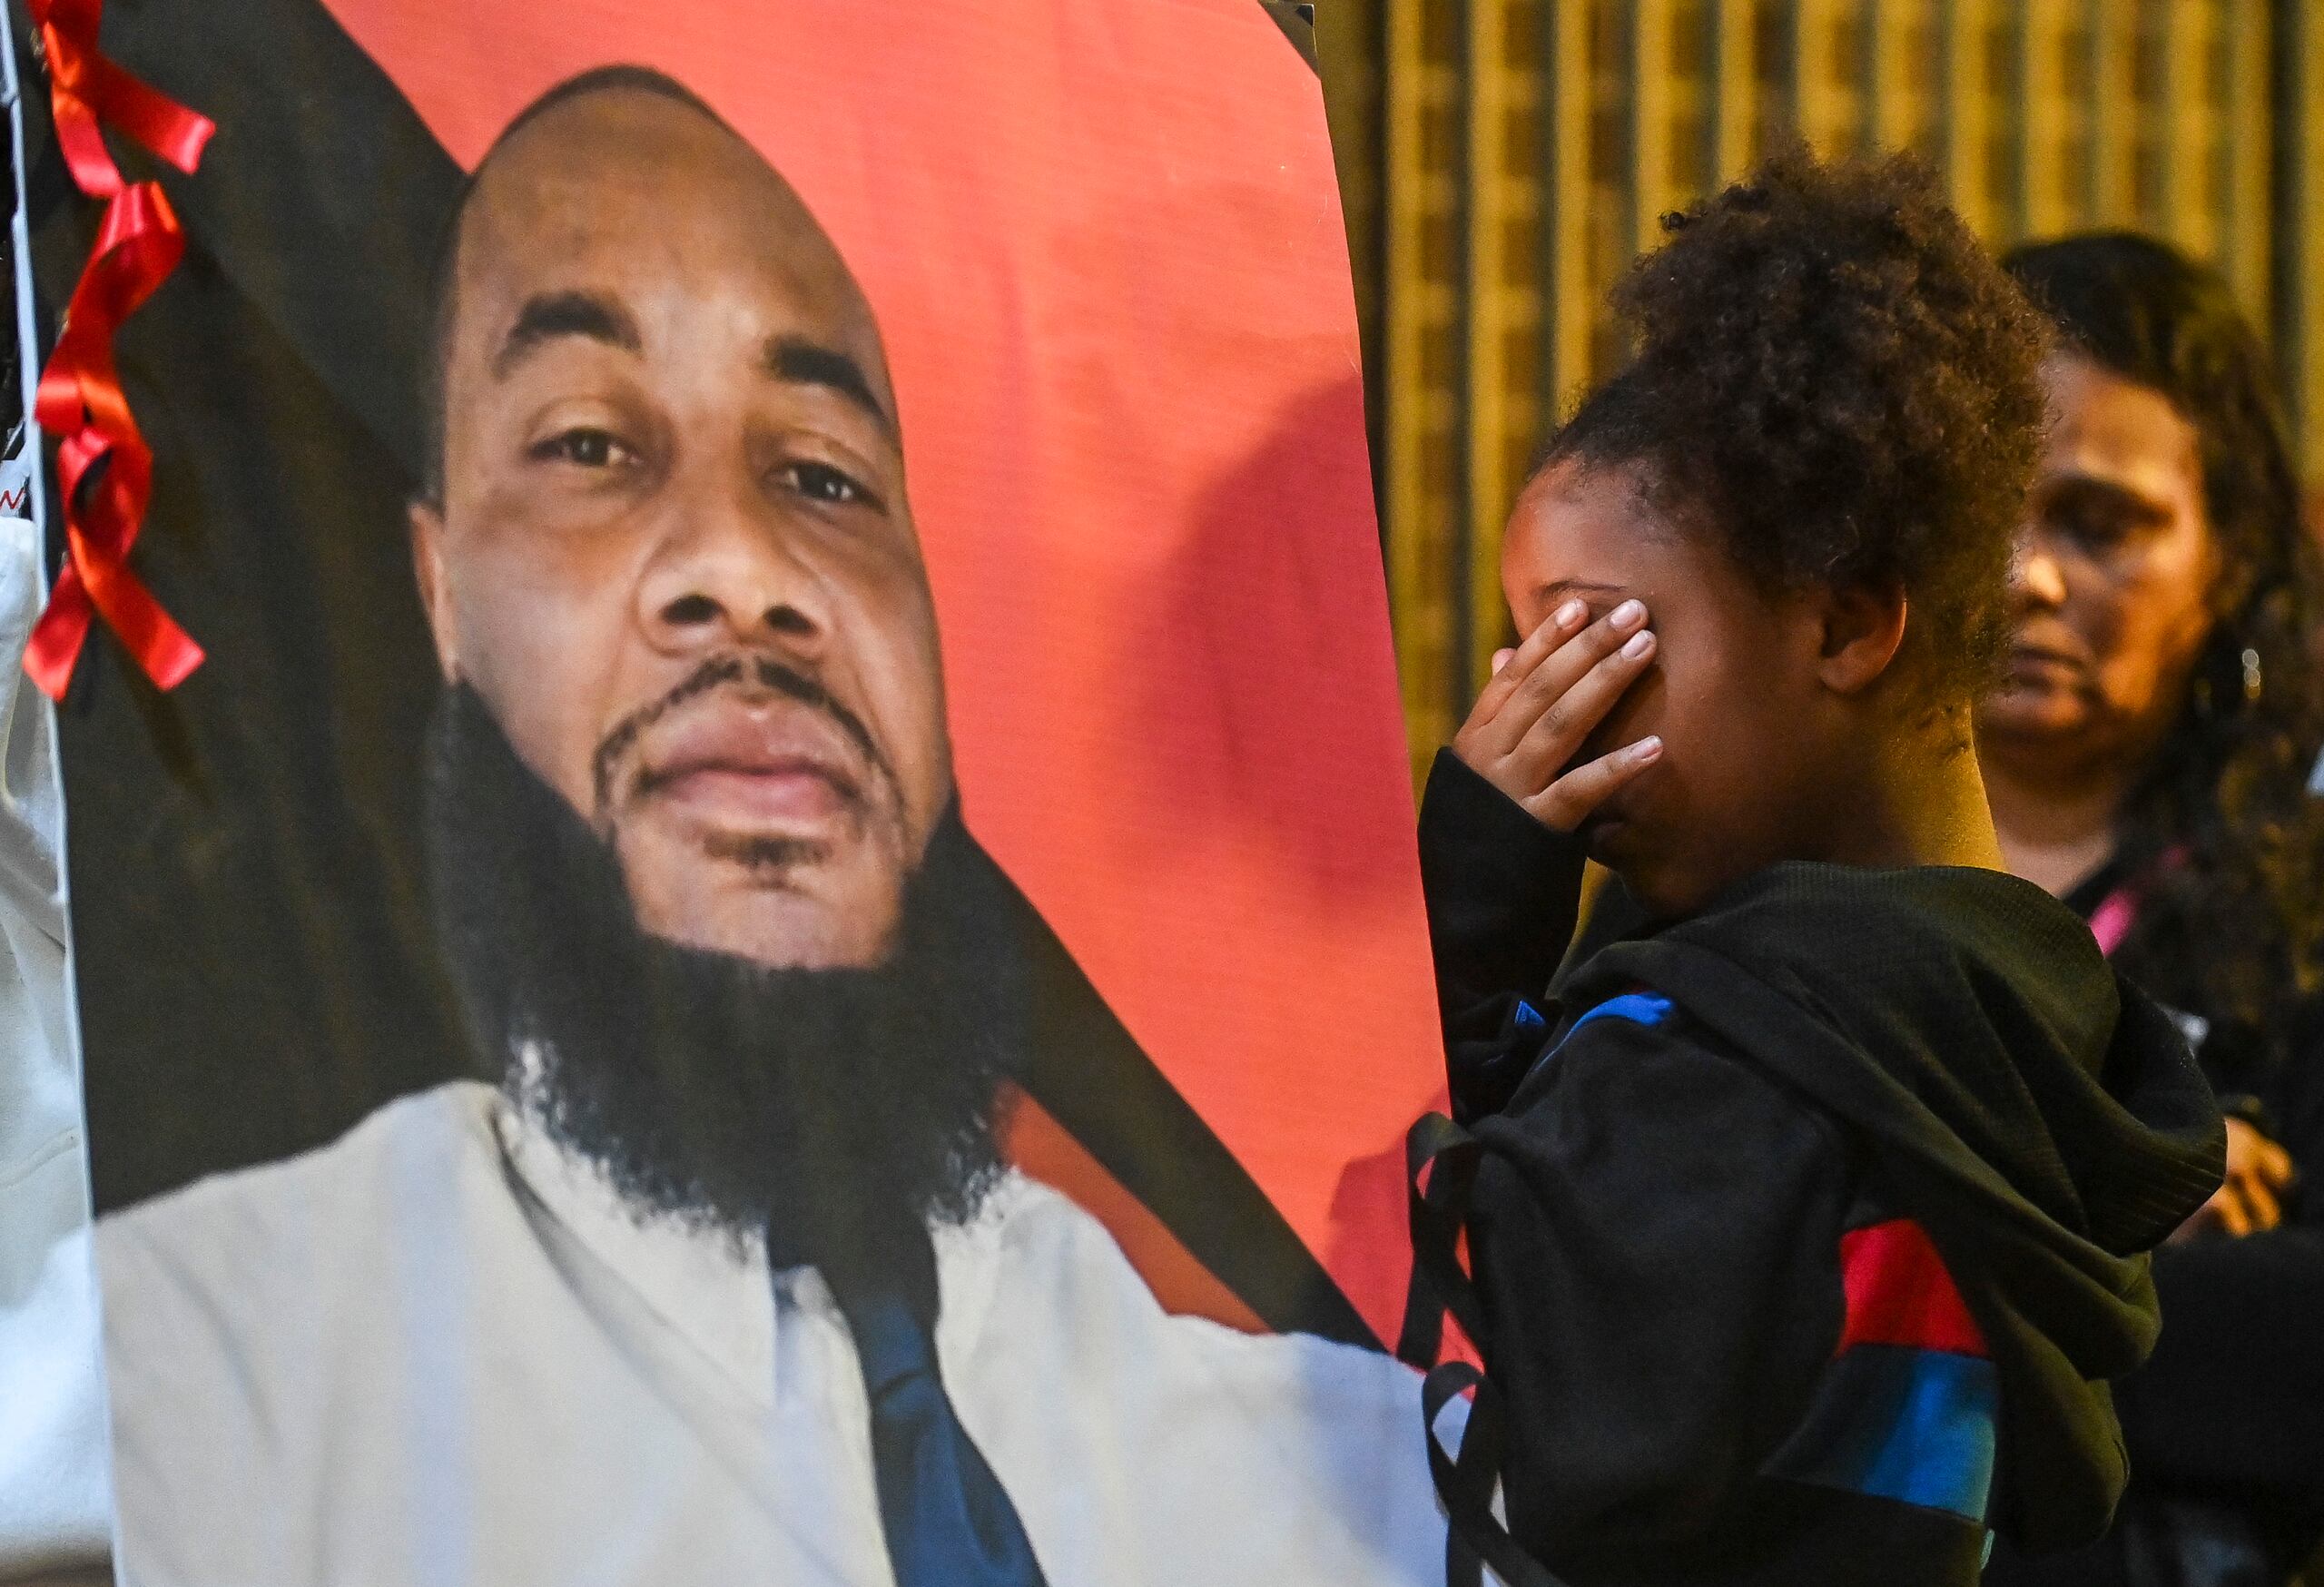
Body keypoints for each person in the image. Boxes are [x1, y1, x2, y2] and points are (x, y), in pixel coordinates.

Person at [93, 68, 1452, 1587]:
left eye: (823, 474)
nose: (746, 567)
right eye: (593, 446)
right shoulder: (192, 1386)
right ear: (439, 592)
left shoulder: (1344, 1475)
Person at [1402, 150, 2223, 1587]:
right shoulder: (2004, 1028)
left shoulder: (1736, 1060)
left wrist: (1462, 938)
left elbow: (1440, 1371)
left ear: (1846, 627)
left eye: (1597, 643)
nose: (1545, 718)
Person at [1978, 233, 2324, 1587]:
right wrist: (2102, 1192)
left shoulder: (2299, 911)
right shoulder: (1778, 862)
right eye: (1984, 511)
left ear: (2230, 556)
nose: (2027, 578)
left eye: (2099, 522)